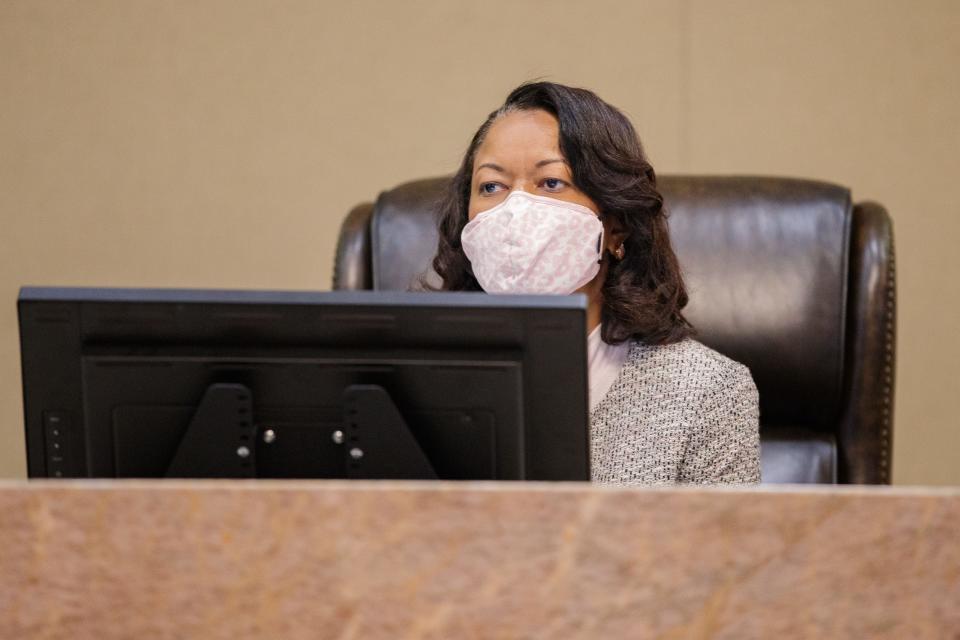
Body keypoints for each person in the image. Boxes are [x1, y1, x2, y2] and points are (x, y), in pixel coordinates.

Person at [429, 81, 761, 484]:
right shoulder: (422, 380)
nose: (514, 211)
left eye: (551, 183)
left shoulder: (707, 392)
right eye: (492, 186)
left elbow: (724, 547)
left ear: (616, 226)